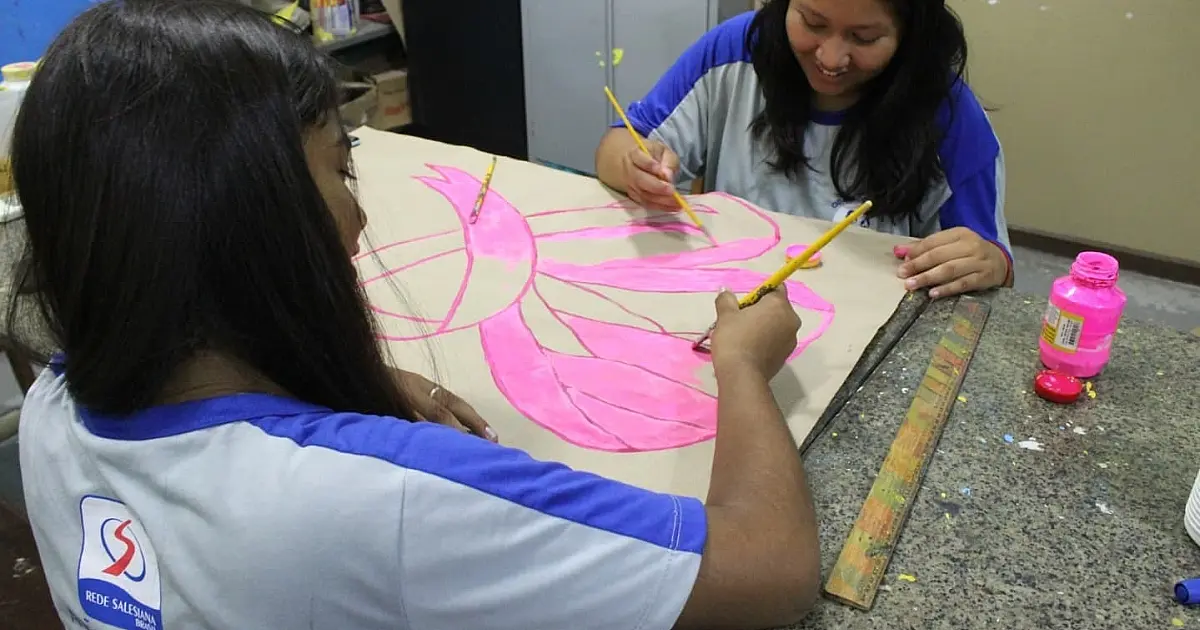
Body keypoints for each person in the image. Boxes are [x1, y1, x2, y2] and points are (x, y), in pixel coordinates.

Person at [7, 1, 821, 628]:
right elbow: (771, 567)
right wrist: (742, 367)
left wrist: (350, 381)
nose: (360, 217)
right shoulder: (380, 498)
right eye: (340, 167)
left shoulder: (52, 408)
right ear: (260, 222)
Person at [596, 0, 1013, 300]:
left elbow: (994, 264)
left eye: (863, 38)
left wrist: (988, 262)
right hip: (730, 304)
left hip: (864, 343)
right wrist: (633, 166)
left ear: (910, 35)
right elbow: (618, 145)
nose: (831, 58)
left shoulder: (950, 116)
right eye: (812, 23)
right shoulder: (735, 50)